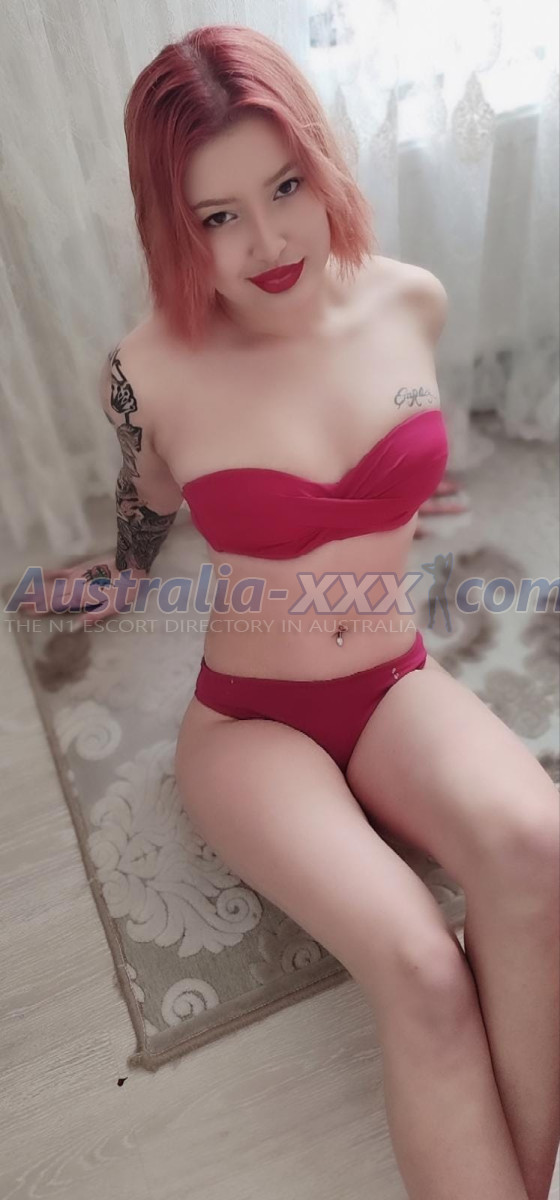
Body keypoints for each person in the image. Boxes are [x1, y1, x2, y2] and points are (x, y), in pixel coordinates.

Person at [31, 26, 558, 1200]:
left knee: (539, 852)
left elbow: (392, 440)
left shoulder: (409, 301)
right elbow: (146, 498)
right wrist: (119, 574)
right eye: (217, 216)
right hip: (250, 721)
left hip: (393, 680)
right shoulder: (145, 371)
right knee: (420, 970)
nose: (267, 241)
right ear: (172, 225)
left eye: (283, 189)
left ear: (321, 162)